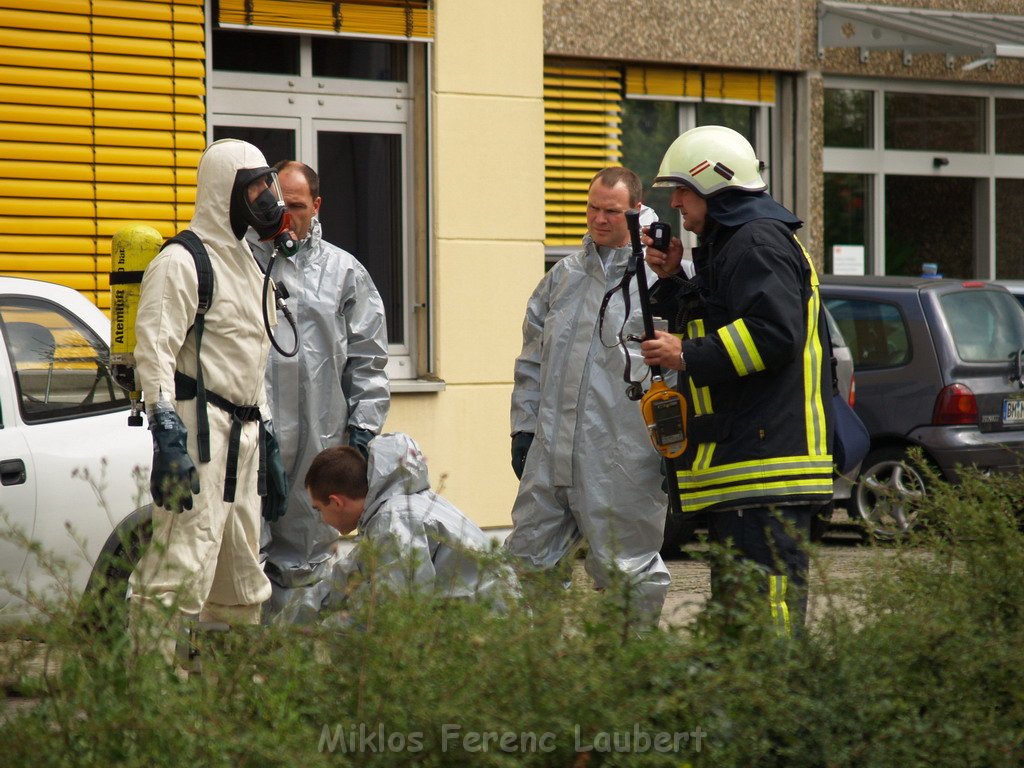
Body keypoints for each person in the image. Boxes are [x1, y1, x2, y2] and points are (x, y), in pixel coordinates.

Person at [639, 125, 833, 635]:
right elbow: (727, 317)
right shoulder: (737, 242)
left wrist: (686, 353)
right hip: (750, 464)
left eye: (682, 188)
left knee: (767, 616)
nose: (676, 201)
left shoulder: (755, 242)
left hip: (765, 466)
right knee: (744, 618)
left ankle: (777, 708)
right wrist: (676, 281)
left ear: (713, 183)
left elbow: (774, 334)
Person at [129, 138, 289, 661]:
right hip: (199, 437)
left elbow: (253, 353)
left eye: (270, 183)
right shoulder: (181, 262)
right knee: (178, 565)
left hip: (243, 442)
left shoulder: (248, 261)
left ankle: (228, 696)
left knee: (242, 574)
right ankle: (150, 699)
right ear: (227, 192)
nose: (269, 196)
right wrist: (166, 433)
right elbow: (153, 352)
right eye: (258, 186)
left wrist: (267, 440)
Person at [504, 166, 670, 624]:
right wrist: (524, 427)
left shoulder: (661, 283)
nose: (598, 219)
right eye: (593, 208)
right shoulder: (563, 277)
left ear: (636, 212)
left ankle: (627, 675)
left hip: (622, 461)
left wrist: (672, 449)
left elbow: (676, 377)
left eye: (611, 211)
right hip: (550, 456)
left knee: (628, 573)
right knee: (528, 562)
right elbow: (532, 361)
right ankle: (539, 674)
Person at [247, 161, 390, 620]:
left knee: (309, 554)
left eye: (298, 206)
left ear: (317, 206)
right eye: (279, 206)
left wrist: (362, 434)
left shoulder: (344, 273)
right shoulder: (242, 265)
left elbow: (369, 362)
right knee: (247, 550)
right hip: (255, 436)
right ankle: (248, 658)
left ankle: (298, 654)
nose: (287, 218)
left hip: (320, 440)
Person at [305, 433, 517, 611]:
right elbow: (345, 579)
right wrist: (283, 627)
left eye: (318, 509)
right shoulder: (394, 510)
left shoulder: (395, 520)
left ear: (336, 502)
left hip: (490, 632)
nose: (322, 519)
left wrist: (319, 635)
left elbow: (394, 610)